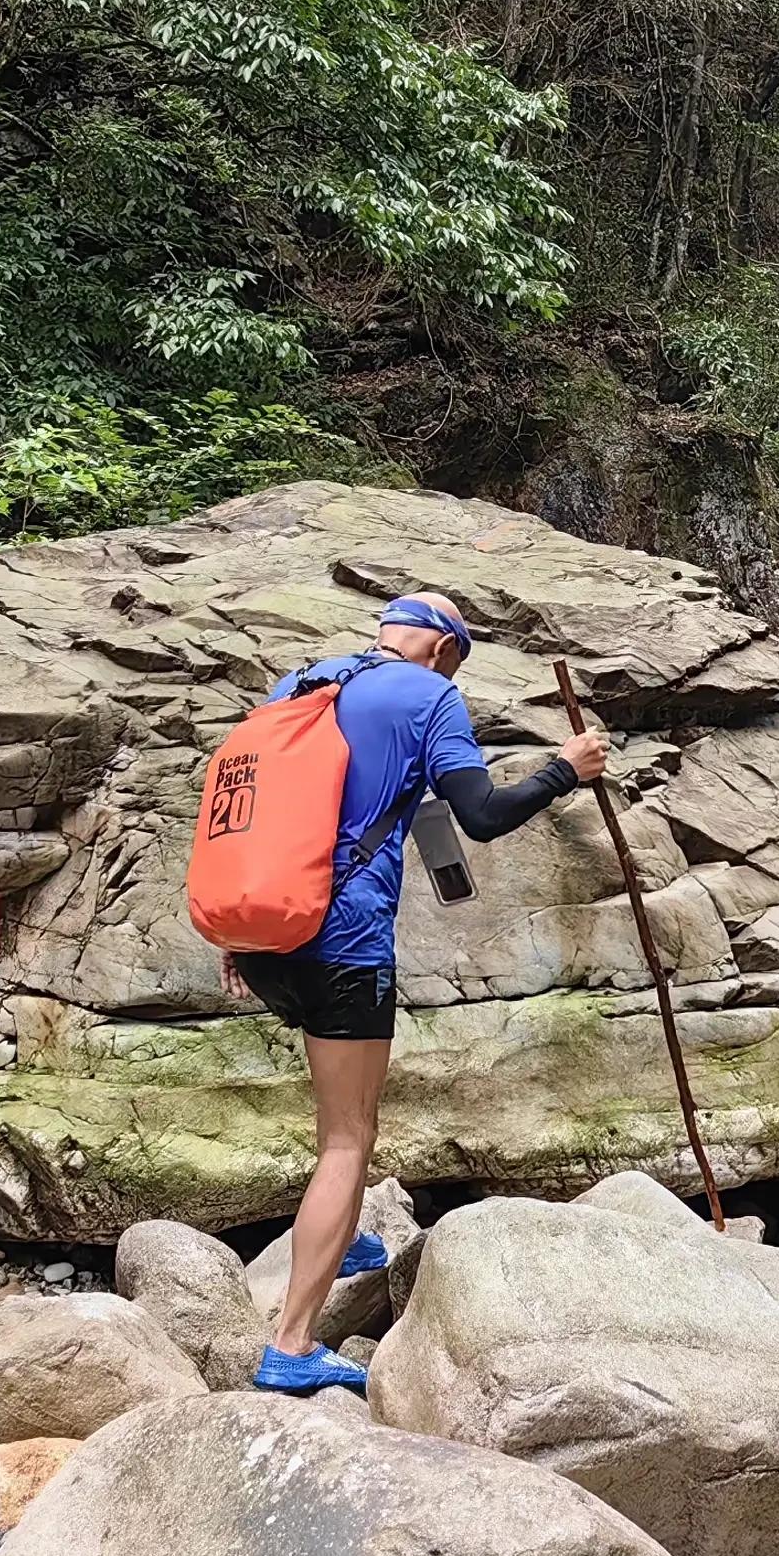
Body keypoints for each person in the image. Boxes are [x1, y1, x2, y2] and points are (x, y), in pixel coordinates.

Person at [229, 593, 605, 1396]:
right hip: (344, 944)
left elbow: (250, 816)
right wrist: (562, 770)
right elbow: (482, 815)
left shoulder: (300, 683)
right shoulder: (430, 695)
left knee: (338, 1107)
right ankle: (291, 1342)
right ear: (442, 652)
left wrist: (238, 936)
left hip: (264, 938)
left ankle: (349, 1233)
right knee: (348, 1136)